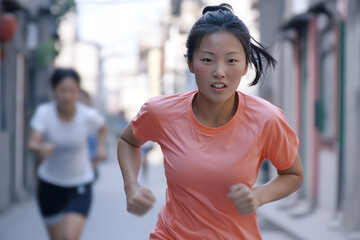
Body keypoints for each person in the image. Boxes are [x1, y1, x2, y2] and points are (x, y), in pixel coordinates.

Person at [117, 3, 303, 239]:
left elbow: (293, 174)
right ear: (190, 64)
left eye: (231, 61)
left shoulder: (266, 119)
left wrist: (259, 196)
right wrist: (131, 186)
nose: (219, 71)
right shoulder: (161, 112)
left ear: (245, 65)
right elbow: (128, 141)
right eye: (207, 60)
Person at [28, 68, 107, 240]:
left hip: (80, 183)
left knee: (69, 237)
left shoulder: (87, 115)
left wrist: (101, 147)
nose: (67, 96)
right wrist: (40, 148)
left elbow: (102, 127)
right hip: (49, 184)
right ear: (54, 91)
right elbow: (32, 143)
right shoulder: (44, 113)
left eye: (72, 90)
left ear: (78, 92)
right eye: (62, 90)